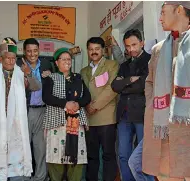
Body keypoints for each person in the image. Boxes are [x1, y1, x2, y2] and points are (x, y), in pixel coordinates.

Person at [130, 2, 190, 181]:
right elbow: (150, 83)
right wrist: (154, 107)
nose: (160, 18)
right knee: (165, 175)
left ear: (179, 10)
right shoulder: (158, 50)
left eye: (163, 12)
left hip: (186, 129)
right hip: (164, 130)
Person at [0, 42, 41, 181]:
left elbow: (36, 87)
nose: (11, 61)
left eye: (13, 58)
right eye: (8, 58)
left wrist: (28, 74)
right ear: (1, 59)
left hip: (15, 122)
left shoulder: (20, 71)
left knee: (15, 155)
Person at [42, 47, 91, 181]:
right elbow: (46, 97)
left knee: (76, 159)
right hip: (57, 123)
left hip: (75, 123)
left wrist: (78, 104)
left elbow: (87, 97)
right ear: (56, 63)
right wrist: (65, 104)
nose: (67, 62)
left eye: (69, 59)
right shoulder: (50, 78)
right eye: (63, 59)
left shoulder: (78, 78)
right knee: (56, 159)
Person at [111, 29, 153, 181]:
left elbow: (144, 84)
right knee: (123, 154)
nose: (131, 49)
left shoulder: (151, 60)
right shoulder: (124, 65)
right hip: (124, 115)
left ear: (142, 42)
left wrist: (125, 84)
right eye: (127, 46)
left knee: (144, 156)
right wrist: (129, 80)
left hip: (142, 114)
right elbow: (115, 86)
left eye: (134, 45)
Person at [81, 37, 119, 181]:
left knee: (108, 154)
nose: (94, 52)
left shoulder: (112, 65)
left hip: (107, 117)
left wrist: (94, 106)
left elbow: (112, 88)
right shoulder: (84, 70)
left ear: (103, 50)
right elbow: (82, 91)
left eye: (97, 49)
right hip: (89, 119)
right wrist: (86, 106)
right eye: (91, 49)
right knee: (91, 156)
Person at [17, 38, 52, 181]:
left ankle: (40, 177)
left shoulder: (45, 64)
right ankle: (23, 177)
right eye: (29, 51)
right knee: (22, 146)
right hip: (24, 111)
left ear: (39, 51)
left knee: (40, 148)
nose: (32, 54)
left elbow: (53, 84)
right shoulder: (18, 65)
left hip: (42, 111)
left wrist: (50, 76)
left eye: (35, 51)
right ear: (24, 52)